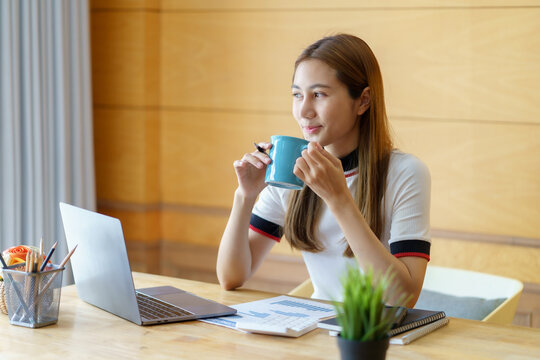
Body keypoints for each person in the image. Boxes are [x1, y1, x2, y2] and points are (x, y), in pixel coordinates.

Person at [216, 34, 430, 306]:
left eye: (318, 94)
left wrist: (339, 199)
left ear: (363, 101)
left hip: (378, 338)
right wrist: (244, 196)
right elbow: (230, 277)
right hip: (316, 330)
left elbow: (401, 299)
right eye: (297, 95)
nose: (304, 110)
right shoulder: (293, 169)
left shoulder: (405, 173)